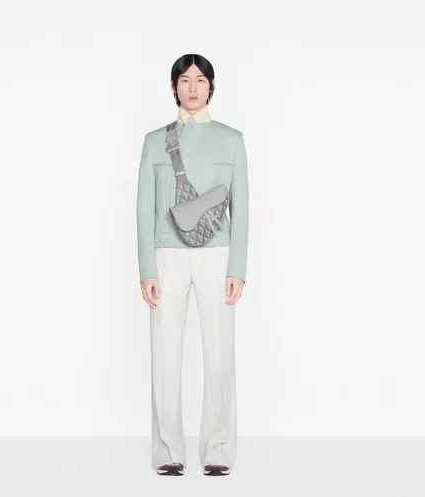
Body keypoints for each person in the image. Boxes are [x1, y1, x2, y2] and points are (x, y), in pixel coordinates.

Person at [136, 53, 249, 476]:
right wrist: (147, 268)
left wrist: (237, 267)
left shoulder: (231, 139)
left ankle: (217, 449)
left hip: (218, 255)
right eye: (185, 80)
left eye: (200, 80)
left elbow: (243, 207)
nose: (193, 87)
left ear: (211, 86)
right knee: (165, 352)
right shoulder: (154, 142)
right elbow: (144, 208)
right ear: (173, 87)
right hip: (166, 255)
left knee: (220, 351)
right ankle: (168, 450)